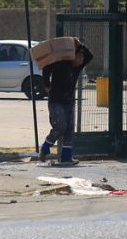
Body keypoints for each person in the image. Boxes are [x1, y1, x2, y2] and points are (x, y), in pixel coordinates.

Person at [38, 37, 93, 165]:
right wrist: (47, 84)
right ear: (72, 57)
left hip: (69, 102)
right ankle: (45, 147)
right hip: (56, 101)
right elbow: (46, 68)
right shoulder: (62, 65)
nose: (80, 60)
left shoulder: (77, 68)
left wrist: (80, 45)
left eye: (81, 58)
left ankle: (66, 157)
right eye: (78, 57)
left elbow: (90, 56)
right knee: (60, 127)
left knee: (69, 129)